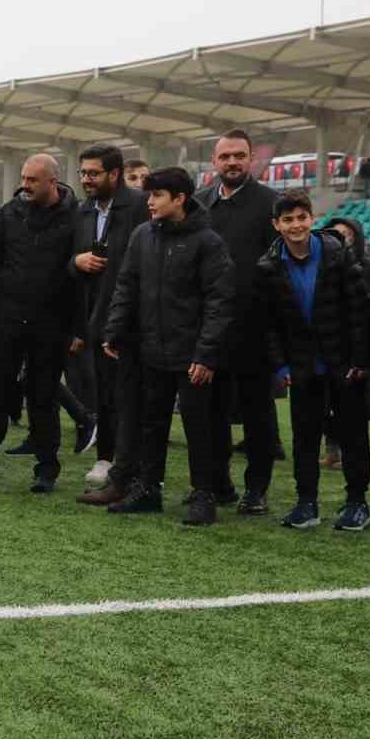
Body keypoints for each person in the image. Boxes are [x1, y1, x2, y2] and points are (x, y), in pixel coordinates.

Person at [102, 166, 234, 525]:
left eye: (158, 195)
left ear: (180, 199)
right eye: (149, 195)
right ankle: (147, 489)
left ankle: (203, 493)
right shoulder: (142, 235)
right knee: (150, 423)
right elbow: (126, 286)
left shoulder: (208, 242)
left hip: (191, 355)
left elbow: (219, 301)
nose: (150, 202)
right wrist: (114, 331)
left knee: (199, 427)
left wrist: (206, 353)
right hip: (150, 351)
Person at [255, 190, 370, 532]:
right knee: (304, 437)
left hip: (344, 363)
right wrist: (281, 366)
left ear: (311, 218)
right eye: (288, 220)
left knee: (353, 435)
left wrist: (359, 358)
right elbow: (269, 325)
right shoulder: (268, 266)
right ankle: (306, 503)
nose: (296, 225)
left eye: (301, 217)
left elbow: (361, 309)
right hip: (302, 368)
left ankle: (357, 503)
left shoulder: (338, 255)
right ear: (276, 225)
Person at [0, 154, 78, 494]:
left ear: (52, 182)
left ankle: (46, 469)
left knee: (44, 397)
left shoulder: (75, 217)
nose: (24, 185)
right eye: (24, 178)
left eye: (32, 180)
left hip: (51, 323)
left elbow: (78, 279)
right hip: (7, 319)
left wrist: (76, 329)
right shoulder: (9, 213)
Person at [192, 129, 282, 514]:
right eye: (225, 156)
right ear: (214, 161)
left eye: (239, 156)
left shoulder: (271, 203)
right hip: (209, 330)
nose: (232, 162)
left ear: (250, 160)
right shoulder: (198, 205)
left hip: (255, 329)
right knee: (210, 414)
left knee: (258, 415)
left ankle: (256, 489)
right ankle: (217, 483)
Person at [69, 144, 147, 504]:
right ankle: (106, 458)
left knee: (133, 397)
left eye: (93, 173)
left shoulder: (139, 207)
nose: (86, 179)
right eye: (83, 173)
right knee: (105, 394)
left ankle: (137, 469)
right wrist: (76, 261)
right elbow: (66, 262)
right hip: (96, 318)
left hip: (134, 320)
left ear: (113, 174)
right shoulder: (82, 212)